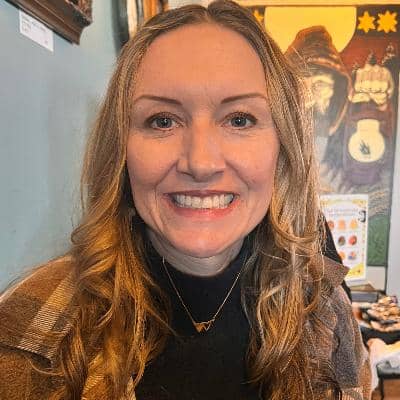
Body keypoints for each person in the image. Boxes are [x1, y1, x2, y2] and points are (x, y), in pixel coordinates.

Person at [0, 1, 371, 399]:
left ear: (283, 147)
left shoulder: (325, 310)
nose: (201, 163)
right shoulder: (30, 329)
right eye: (162, 121)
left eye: (240, 119)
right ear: (120, 149)